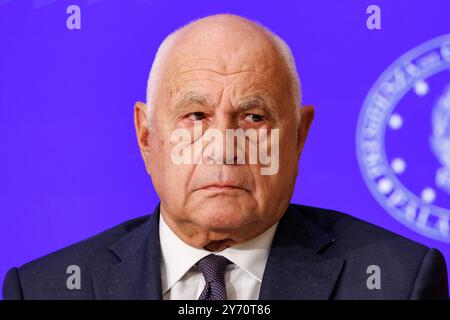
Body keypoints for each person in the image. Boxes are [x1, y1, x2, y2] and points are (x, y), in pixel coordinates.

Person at [3, 14, 448, 300]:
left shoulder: (395, 282)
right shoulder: (46, 289)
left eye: (253, 117)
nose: (223, 144)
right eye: (195, 115)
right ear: (146, 135)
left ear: (297, 136)